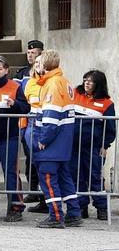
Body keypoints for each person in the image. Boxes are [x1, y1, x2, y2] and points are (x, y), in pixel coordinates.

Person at [32, 50, 82, 228]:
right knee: (64, 177)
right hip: (64, 142)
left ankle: (55, 216)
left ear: (45, 64)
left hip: (52, 144)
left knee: (48, 179)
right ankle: (74, 213)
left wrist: (43, 139)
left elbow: (51, 118)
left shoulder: (52, 84)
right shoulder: (64, 82)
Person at [0, 56, 29, 222]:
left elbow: (25, 108)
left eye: (0, 68)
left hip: (9, 136)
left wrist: (13, 104)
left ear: (7, 70)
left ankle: (16, 208)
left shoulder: (15, 86)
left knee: (11, 173)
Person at [71, 70, 116, 221]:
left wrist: (105, 145)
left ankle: (101, 207)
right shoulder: (76, 95)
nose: (87, 83)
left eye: (91, 81)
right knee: (76, 176)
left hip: (93, 147)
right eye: (85, 80)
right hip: (74, 145)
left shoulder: (107, 103)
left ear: (99, 84)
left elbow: (110, 129)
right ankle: (81, 206)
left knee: (95, 177)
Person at [20, 55, 48, 213]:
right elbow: (25, 105)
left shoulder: (51, 82)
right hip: (31, 129)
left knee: (47, 168)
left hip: (46, 129)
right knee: (36, 165)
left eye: (40, 62)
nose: (37, 65)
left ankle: (50, 204)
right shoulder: (29, 82)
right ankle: (43, 201)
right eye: (36, 62)